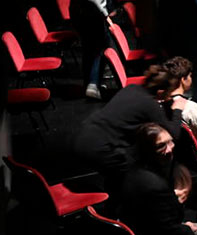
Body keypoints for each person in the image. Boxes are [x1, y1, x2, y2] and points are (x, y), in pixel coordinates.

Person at [74, 63, 186, 192]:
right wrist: (177, 110)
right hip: (100, 148)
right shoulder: (149, 104)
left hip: (84, 136)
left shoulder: (131, 88)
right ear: (161, 91)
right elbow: (173, 133)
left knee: (120, 173)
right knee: (132, 176)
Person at [63, 0, 111, 100]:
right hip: (93, 17)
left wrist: (78, 0)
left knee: (87, 49)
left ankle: (88, 83)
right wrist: (105, 14)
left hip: (78, 16)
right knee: (99, 49)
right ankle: (93, 84)